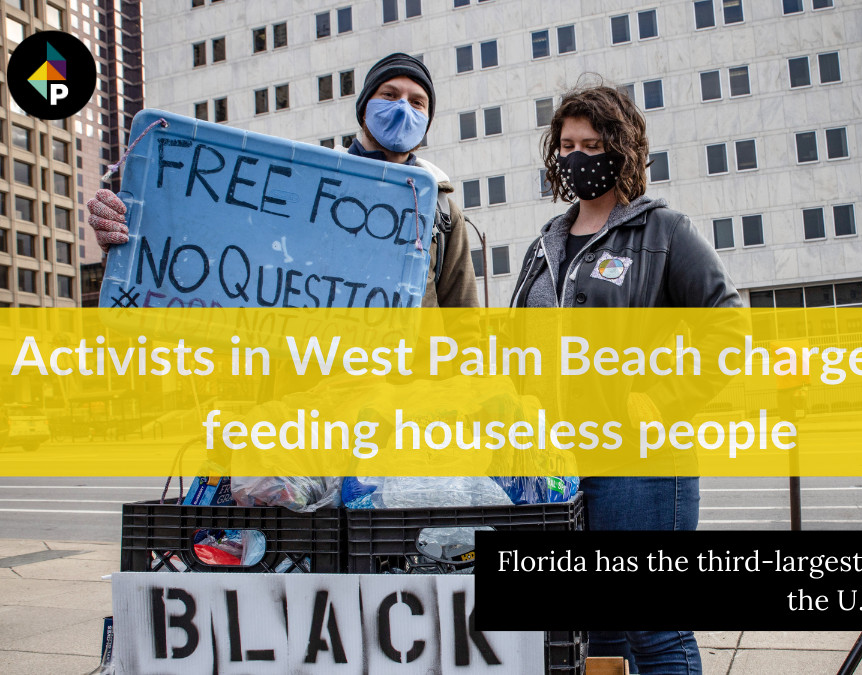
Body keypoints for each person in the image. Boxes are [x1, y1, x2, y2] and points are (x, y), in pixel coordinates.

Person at [509, 83, 741, 675]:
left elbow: (732, 329)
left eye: (592, 142)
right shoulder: (545, 247)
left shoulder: (661, 233)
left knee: (655, 631)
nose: (578, 156)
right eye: (567, 144)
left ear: (622, 148)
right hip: (558, 466)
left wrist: (664, 397)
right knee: (596, 637)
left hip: (640, 463)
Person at [86, 52, 478, 312]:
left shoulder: (441, 210)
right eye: (389, 94)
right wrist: (131, 231)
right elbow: (215, 253)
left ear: (427, 120)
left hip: (412, 404)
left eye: (417, 102)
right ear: (364, 110)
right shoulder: (299, 187)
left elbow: (465, 326)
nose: (402, 108)